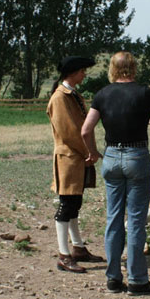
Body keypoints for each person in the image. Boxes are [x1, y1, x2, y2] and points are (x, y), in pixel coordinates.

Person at [82, 51, 150, 295]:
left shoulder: (102, 94)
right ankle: (137, 280)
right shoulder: (144, 93)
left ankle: (113, 278)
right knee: (135, 220)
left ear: (112, 68)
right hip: (136, 157)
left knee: (113, 218)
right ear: (133, 68)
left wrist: (92, 153)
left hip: (111, 157)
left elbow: (85, 130)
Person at [46, 56, 105, 273]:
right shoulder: (60, 98)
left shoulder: (71, 95)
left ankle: (78, 248)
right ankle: (64, 254)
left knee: (74, 205)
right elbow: (69, 132)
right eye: (82, 71)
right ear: (72, 72)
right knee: (66, 206)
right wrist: (89, 151)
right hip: (69, 159)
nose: (84, 75)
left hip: (76, 158)